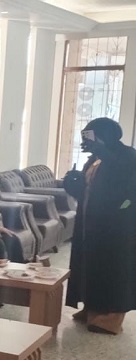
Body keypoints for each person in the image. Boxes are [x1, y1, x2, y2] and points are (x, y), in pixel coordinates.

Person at [63, 117, 136, 335]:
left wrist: (103, 152)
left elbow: (124, 184)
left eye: (90, 135)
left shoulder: (127, 155)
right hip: (91, 221)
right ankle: (92, 307)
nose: (87, 141)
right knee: (90, 263)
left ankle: (112, 316)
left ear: (105, 135)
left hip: (118, 225)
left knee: (113, 267)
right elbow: (90, 188)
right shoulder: (95, 158)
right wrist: (73, 183)